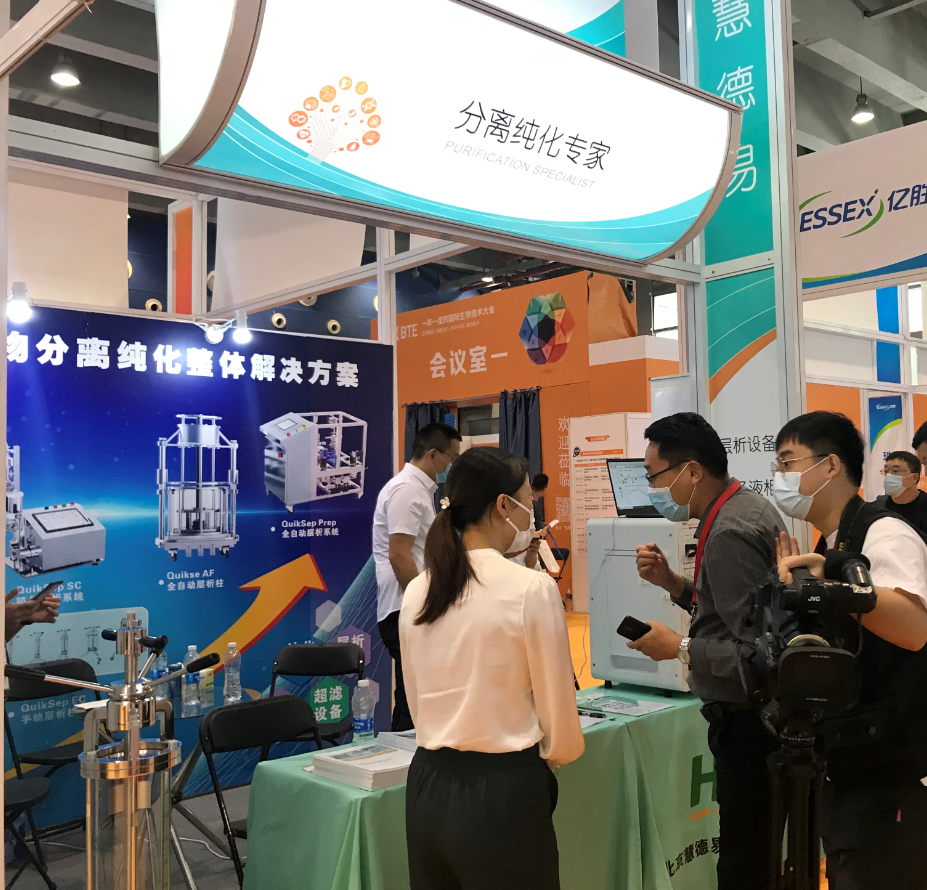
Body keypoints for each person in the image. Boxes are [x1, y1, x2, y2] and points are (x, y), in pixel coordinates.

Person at [400, 446, 583, 890]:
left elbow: (416, 699)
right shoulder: (530, 588)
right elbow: (559, 712)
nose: (531, 512)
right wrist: (550, 762)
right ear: (503, 505)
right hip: (503, 790)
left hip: (426, 785)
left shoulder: (420, 588)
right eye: (527, 499)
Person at [773, 411, 927, 890]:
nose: (780, 477)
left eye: (788, 463)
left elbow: (915, 626)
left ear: (830, 466)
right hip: (853, 759)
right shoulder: (835, 538)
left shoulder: (884, 533)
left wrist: (834, 586)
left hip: (891, 772)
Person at [629, 412, 782, 890]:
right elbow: (735, 612)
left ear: (692, 471)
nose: (653, 489)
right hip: (754, 722)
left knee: (745, 861)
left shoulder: (730, 531)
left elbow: (758, 652)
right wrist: (674, 584)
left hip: (749, 723)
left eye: (654, 476)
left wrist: (679, 646)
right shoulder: (742, 508)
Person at [372, 422, 462, 731]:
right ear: (433, 455)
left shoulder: (417, 490)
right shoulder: (407, 490)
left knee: (417, 696)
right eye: (451, 458)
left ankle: (409, 753)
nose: (451, 467)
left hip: (410, 606)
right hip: (405, 608)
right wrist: (424, 604)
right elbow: (399, 554)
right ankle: (406, 756)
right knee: (415, 699)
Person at [875, 450, 927, 535]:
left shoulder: (924, 506)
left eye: (895, 471)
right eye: (886, 471)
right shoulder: (878, 506)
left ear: (914, 477)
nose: (889, 476)